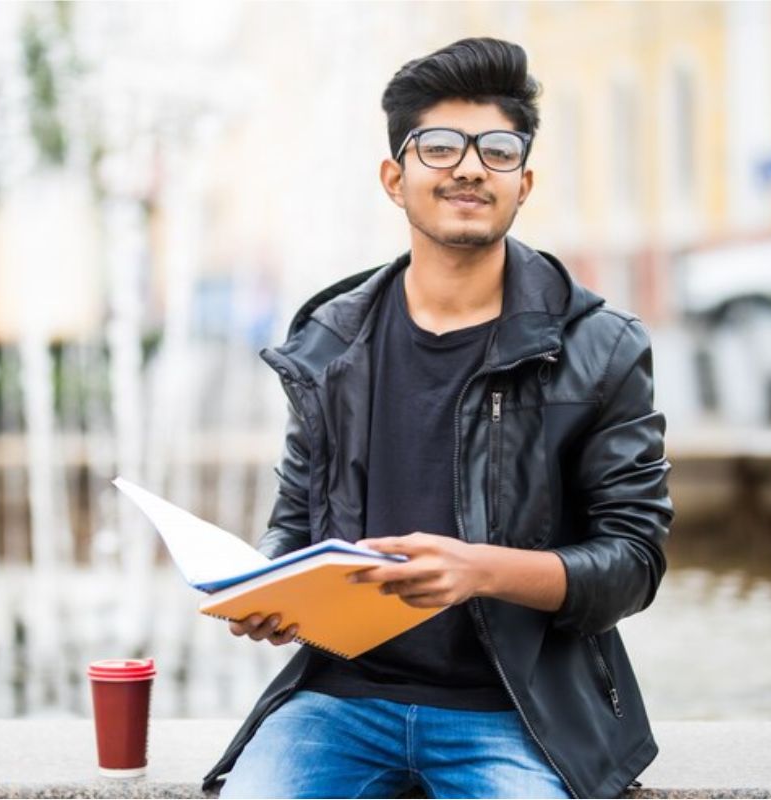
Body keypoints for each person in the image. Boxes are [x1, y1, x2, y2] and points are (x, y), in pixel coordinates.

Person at [204, 37, 674, 799]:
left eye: (496, 149)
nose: (468, 166)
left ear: (524, 180)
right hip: (339, 701)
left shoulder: (602, 348)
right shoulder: (328, 340)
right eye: (440, 146)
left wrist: (476, 570)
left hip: (517, 710)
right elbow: (294, 521)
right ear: (396, 178)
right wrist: (269, 589)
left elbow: (633, 563)